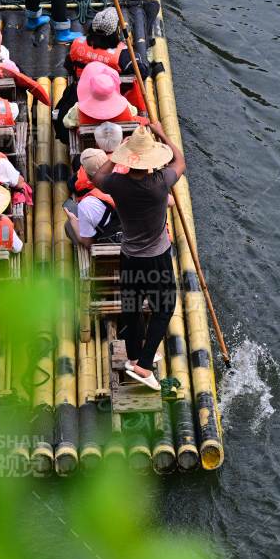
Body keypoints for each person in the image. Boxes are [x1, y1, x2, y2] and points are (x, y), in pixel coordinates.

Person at [95, 122, 186, 389]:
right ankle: (144, 366)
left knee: (133, 306)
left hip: (130, 255)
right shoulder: (160, 183)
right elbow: (180, 160)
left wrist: (118, 152)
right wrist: (161, 131)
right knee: (165, 308)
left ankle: (134, 354)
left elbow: (97, 178)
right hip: (156, 257)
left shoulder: (117, 183)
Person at [60, 61, 147, 133]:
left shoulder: (78, 109)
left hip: (90, 146)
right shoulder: (125, 105)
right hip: (119, 143)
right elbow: (134, 112)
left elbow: (67, 122)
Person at [65, 148, 122, 247]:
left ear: (86, 173)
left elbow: (88, 244)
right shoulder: (128, 181)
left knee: (68, 225)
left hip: (110, 245)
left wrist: (74, 223)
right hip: (134, 235)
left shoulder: (87, 204)